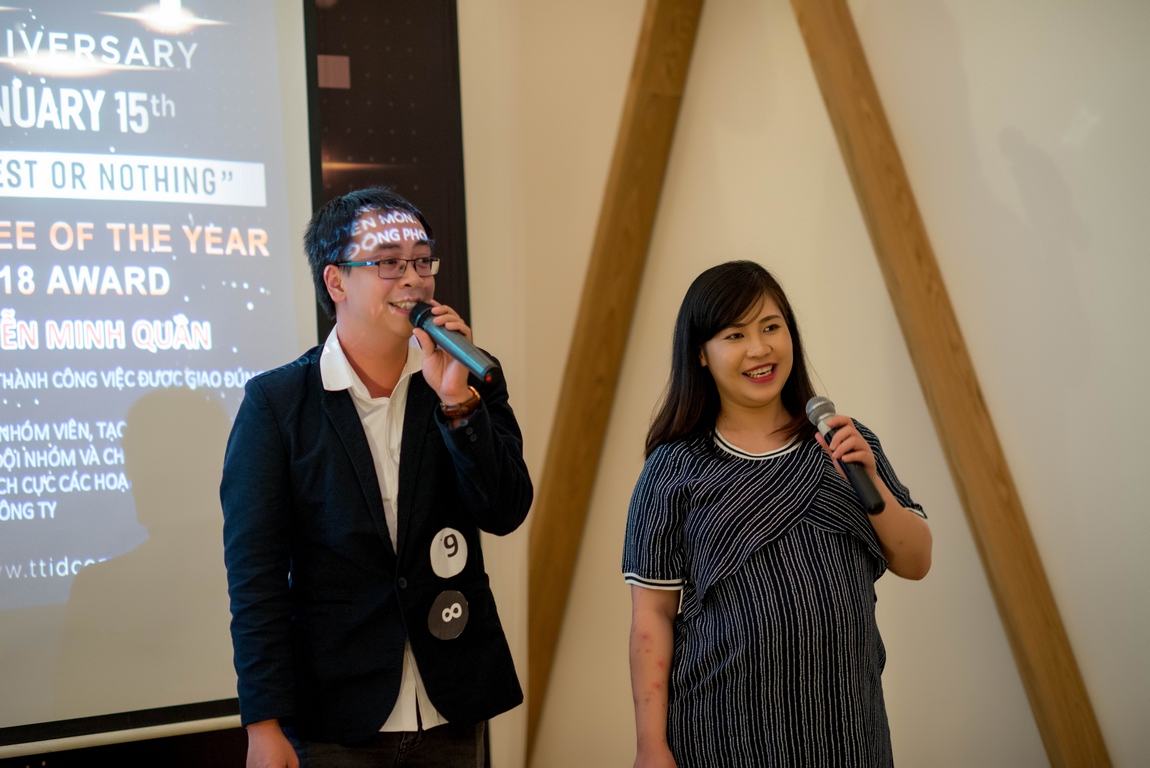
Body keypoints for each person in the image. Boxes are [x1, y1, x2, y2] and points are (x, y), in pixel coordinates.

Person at [221, 188, 532, 768]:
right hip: (338, 715)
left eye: (422, 260)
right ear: (336, 281)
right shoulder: (278, 404)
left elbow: (505, 510)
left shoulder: (466, 376)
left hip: (452, 704)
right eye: (389, 262)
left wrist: (457, 405)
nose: (412, 278)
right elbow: (255, 579)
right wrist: (262, 724)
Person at [624, 261, 932, 768]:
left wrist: (871, 479)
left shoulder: (843, 442)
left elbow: (917, 561)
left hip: (849, 733)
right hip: (723, 737)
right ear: (700, 354)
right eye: (735, 335)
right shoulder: (673, 468)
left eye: (771, 327)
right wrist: (650, 746)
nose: (759, 349)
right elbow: (651, 617)